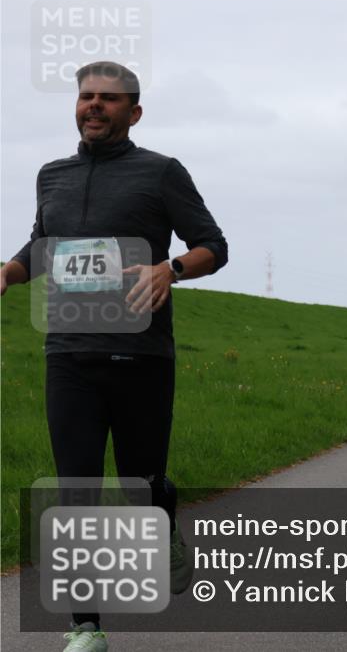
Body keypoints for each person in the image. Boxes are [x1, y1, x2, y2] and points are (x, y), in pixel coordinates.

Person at [0, 62, 228, 652]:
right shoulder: (52, 175)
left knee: (139, 483)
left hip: (140, 356)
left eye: (108, 98)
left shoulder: (161, 172)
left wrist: (170, 268)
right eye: (86, 97)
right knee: (75, 490)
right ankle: (86, 626)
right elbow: (43, 246)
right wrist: (10, 271)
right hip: (67, 354)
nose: (94, 106)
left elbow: (213, 245)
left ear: (135, 111)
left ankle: (162, 519)